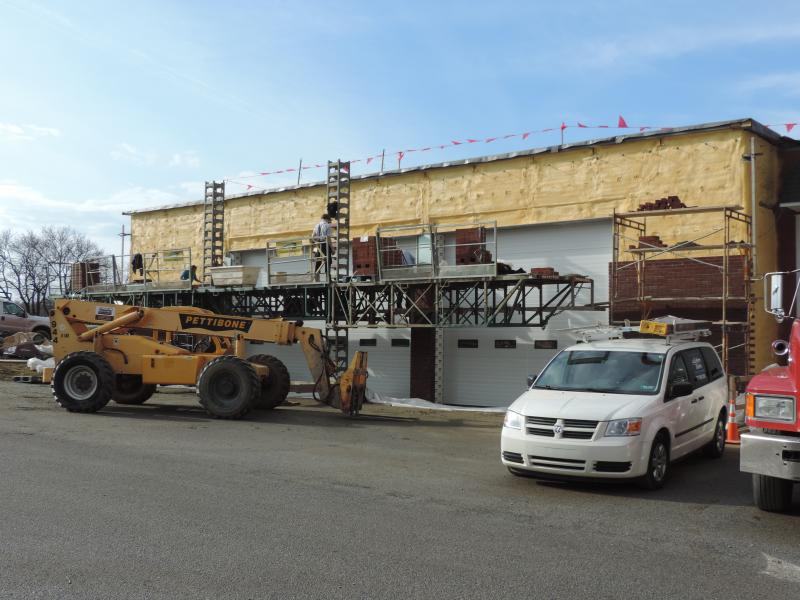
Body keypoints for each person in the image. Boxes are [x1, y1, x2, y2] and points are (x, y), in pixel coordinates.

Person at [311, 213, 333, 279]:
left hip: (318, 245)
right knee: (328, 261)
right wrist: (332, 248)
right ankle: (328, 277)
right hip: (325, 245)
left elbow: (312, 236)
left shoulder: (316, 225)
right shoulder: (327, 226)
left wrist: (316, 242)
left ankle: (316, 278)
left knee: (318, 261)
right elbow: (328, 238)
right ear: (327, 219)